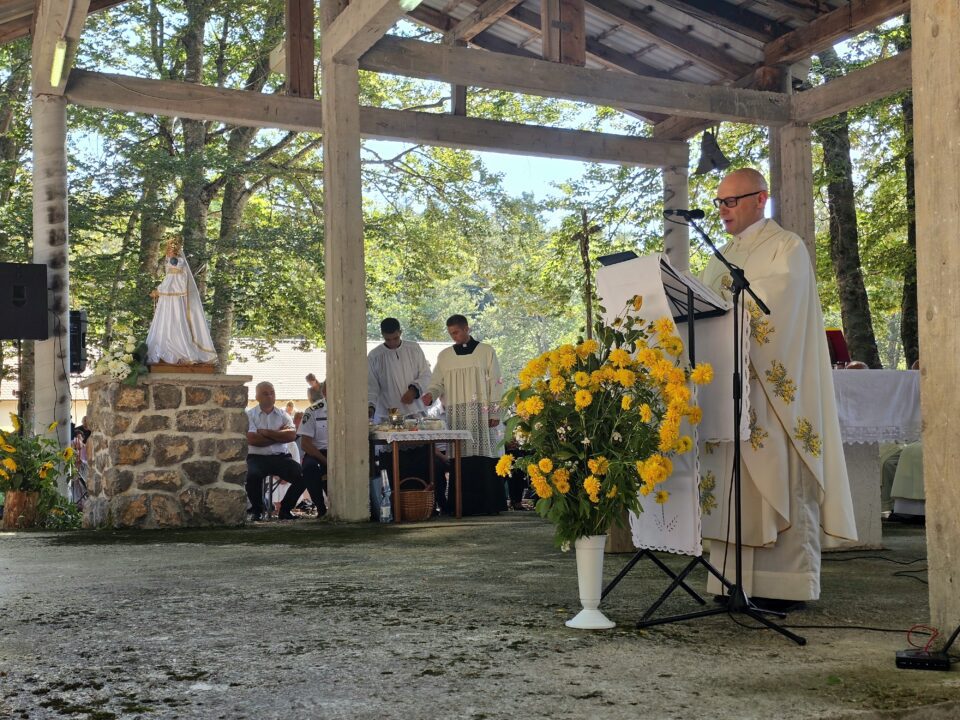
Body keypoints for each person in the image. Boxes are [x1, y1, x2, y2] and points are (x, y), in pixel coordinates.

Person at [699, 168, 857, 612]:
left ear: (760, 199)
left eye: (731, 201)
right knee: (735, 487)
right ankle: (732, 584)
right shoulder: (720, 255)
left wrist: (730, 304)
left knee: (777, 480)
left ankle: (785, 587)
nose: (723, 211)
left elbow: (780, 303)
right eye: (719, 202)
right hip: (728, 391)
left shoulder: (787, 246)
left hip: (770, 391)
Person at [422, 315, 506, 516]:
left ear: (467, 329)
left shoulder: (486, 351)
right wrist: (430, 395)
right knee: (461, 458)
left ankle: (489, 505)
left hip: (482, 412)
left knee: (483, 456)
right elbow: (437, 382)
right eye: (451, 333)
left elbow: (496, 381)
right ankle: (462, 506)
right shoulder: (445, 356)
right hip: (458, 414)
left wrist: (495, 411)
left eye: (457, 332)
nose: (454, 337)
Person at [245, 381, 323, 521]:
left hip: (280, 458)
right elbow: (252, 439)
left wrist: (265, 433)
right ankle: (257, 510)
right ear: (256, 396)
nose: (269, 396)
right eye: (265, 393)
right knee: (252, 475)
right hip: (256, 457)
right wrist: (279, 436)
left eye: (272, 393)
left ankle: (285, 509)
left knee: (303, 474)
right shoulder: (250, 415)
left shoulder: (283, 415)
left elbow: (292, 435)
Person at [146, 236, 217, 365]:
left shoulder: (176, 263)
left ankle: (179, 351)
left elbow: (173, 282)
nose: (167, 251)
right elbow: (169, 279)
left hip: (174, 301)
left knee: (176, 322)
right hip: (168, 300)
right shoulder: (172, 262)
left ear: (174, 250)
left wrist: (159, 290)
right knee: (166, 324)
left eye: (169, 249)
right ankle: (164, 350)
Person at [367, 318, 433, 422]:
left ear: (400, 332)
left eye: (395, 338)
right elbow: (371, 385)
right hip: (388, 414)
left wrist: (413, 390)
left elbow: (426, 374)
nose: (392, 343)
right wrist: (370, 406)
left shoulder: (414, 349)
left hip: (416, 411)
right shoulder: (374, 356)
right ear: (382, 335)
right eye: (388, 339)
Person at [297, 380, 330, 517]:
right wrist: (326, 461)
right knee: (310, 468)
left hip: (343, 451)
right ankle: (321, 508)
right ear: (324, 392)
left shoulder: (352, 409)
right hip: (318, 453)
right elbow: (305, 444)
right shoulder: (312, 411)